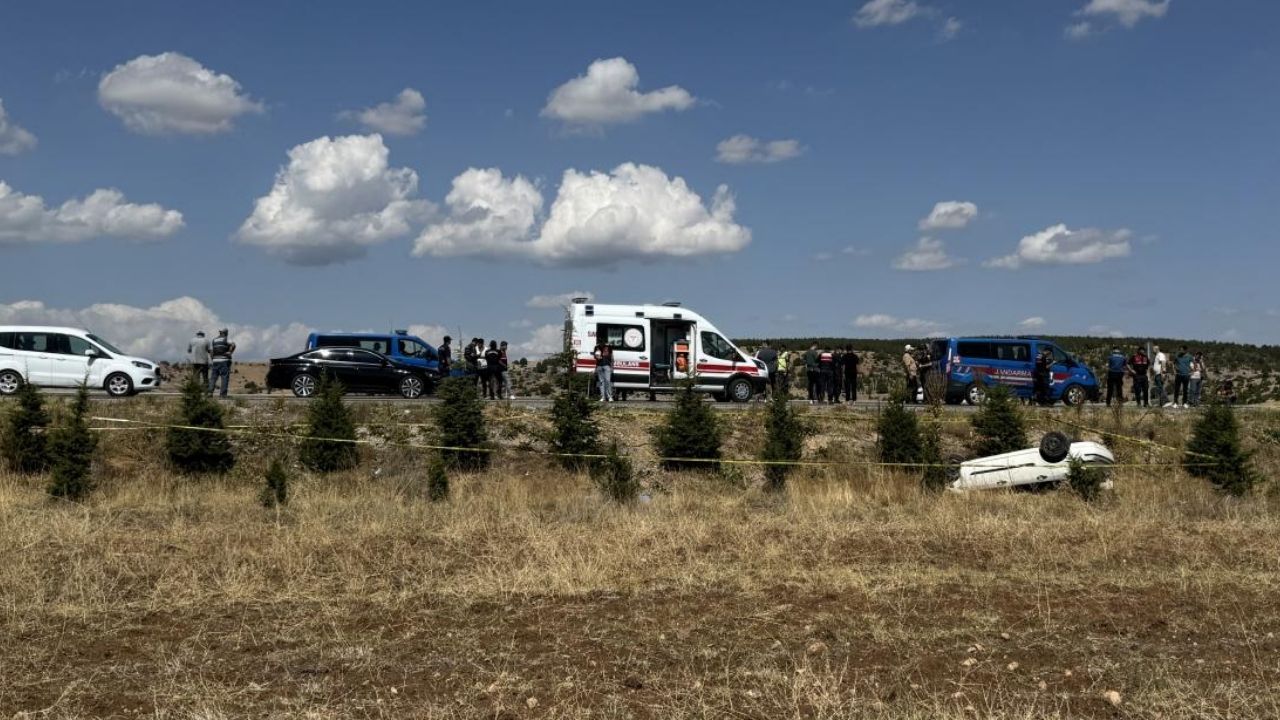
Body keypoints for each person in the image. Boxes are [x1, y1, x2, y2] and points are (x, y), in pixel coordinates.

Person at [207, 328, 236, 398]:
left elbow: (211, 351)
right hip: (224, 361)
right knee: (224, 377)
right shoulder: (226, 339)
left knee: (213, 378)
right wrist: (230, 352)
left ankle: (209, 393)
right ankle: (223, 395)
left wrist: (213, 359)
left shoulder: (214, 340)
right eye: (227, 332)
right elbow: (233, 345)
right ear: (225, 333)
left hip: (215, 361)